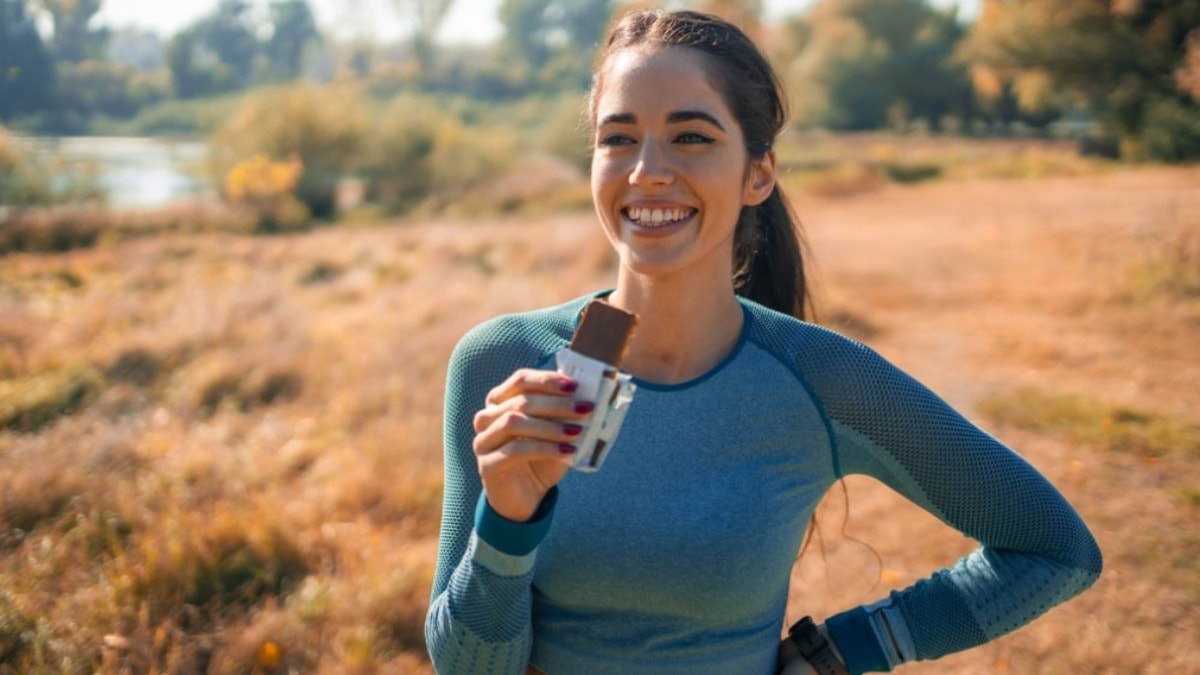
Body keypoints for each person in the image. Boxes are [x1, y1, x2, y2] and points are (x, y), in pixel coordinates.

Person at [424, 9, 1102, 675]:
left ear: (759, 173)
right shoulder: (502, 363)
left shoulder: (825, 379)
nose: (647, 171)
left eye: (691, 137)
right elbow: (468, 667)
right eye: (619, 138)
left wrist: (850, 650)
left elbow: (1055, 551)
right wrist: (508, 521)